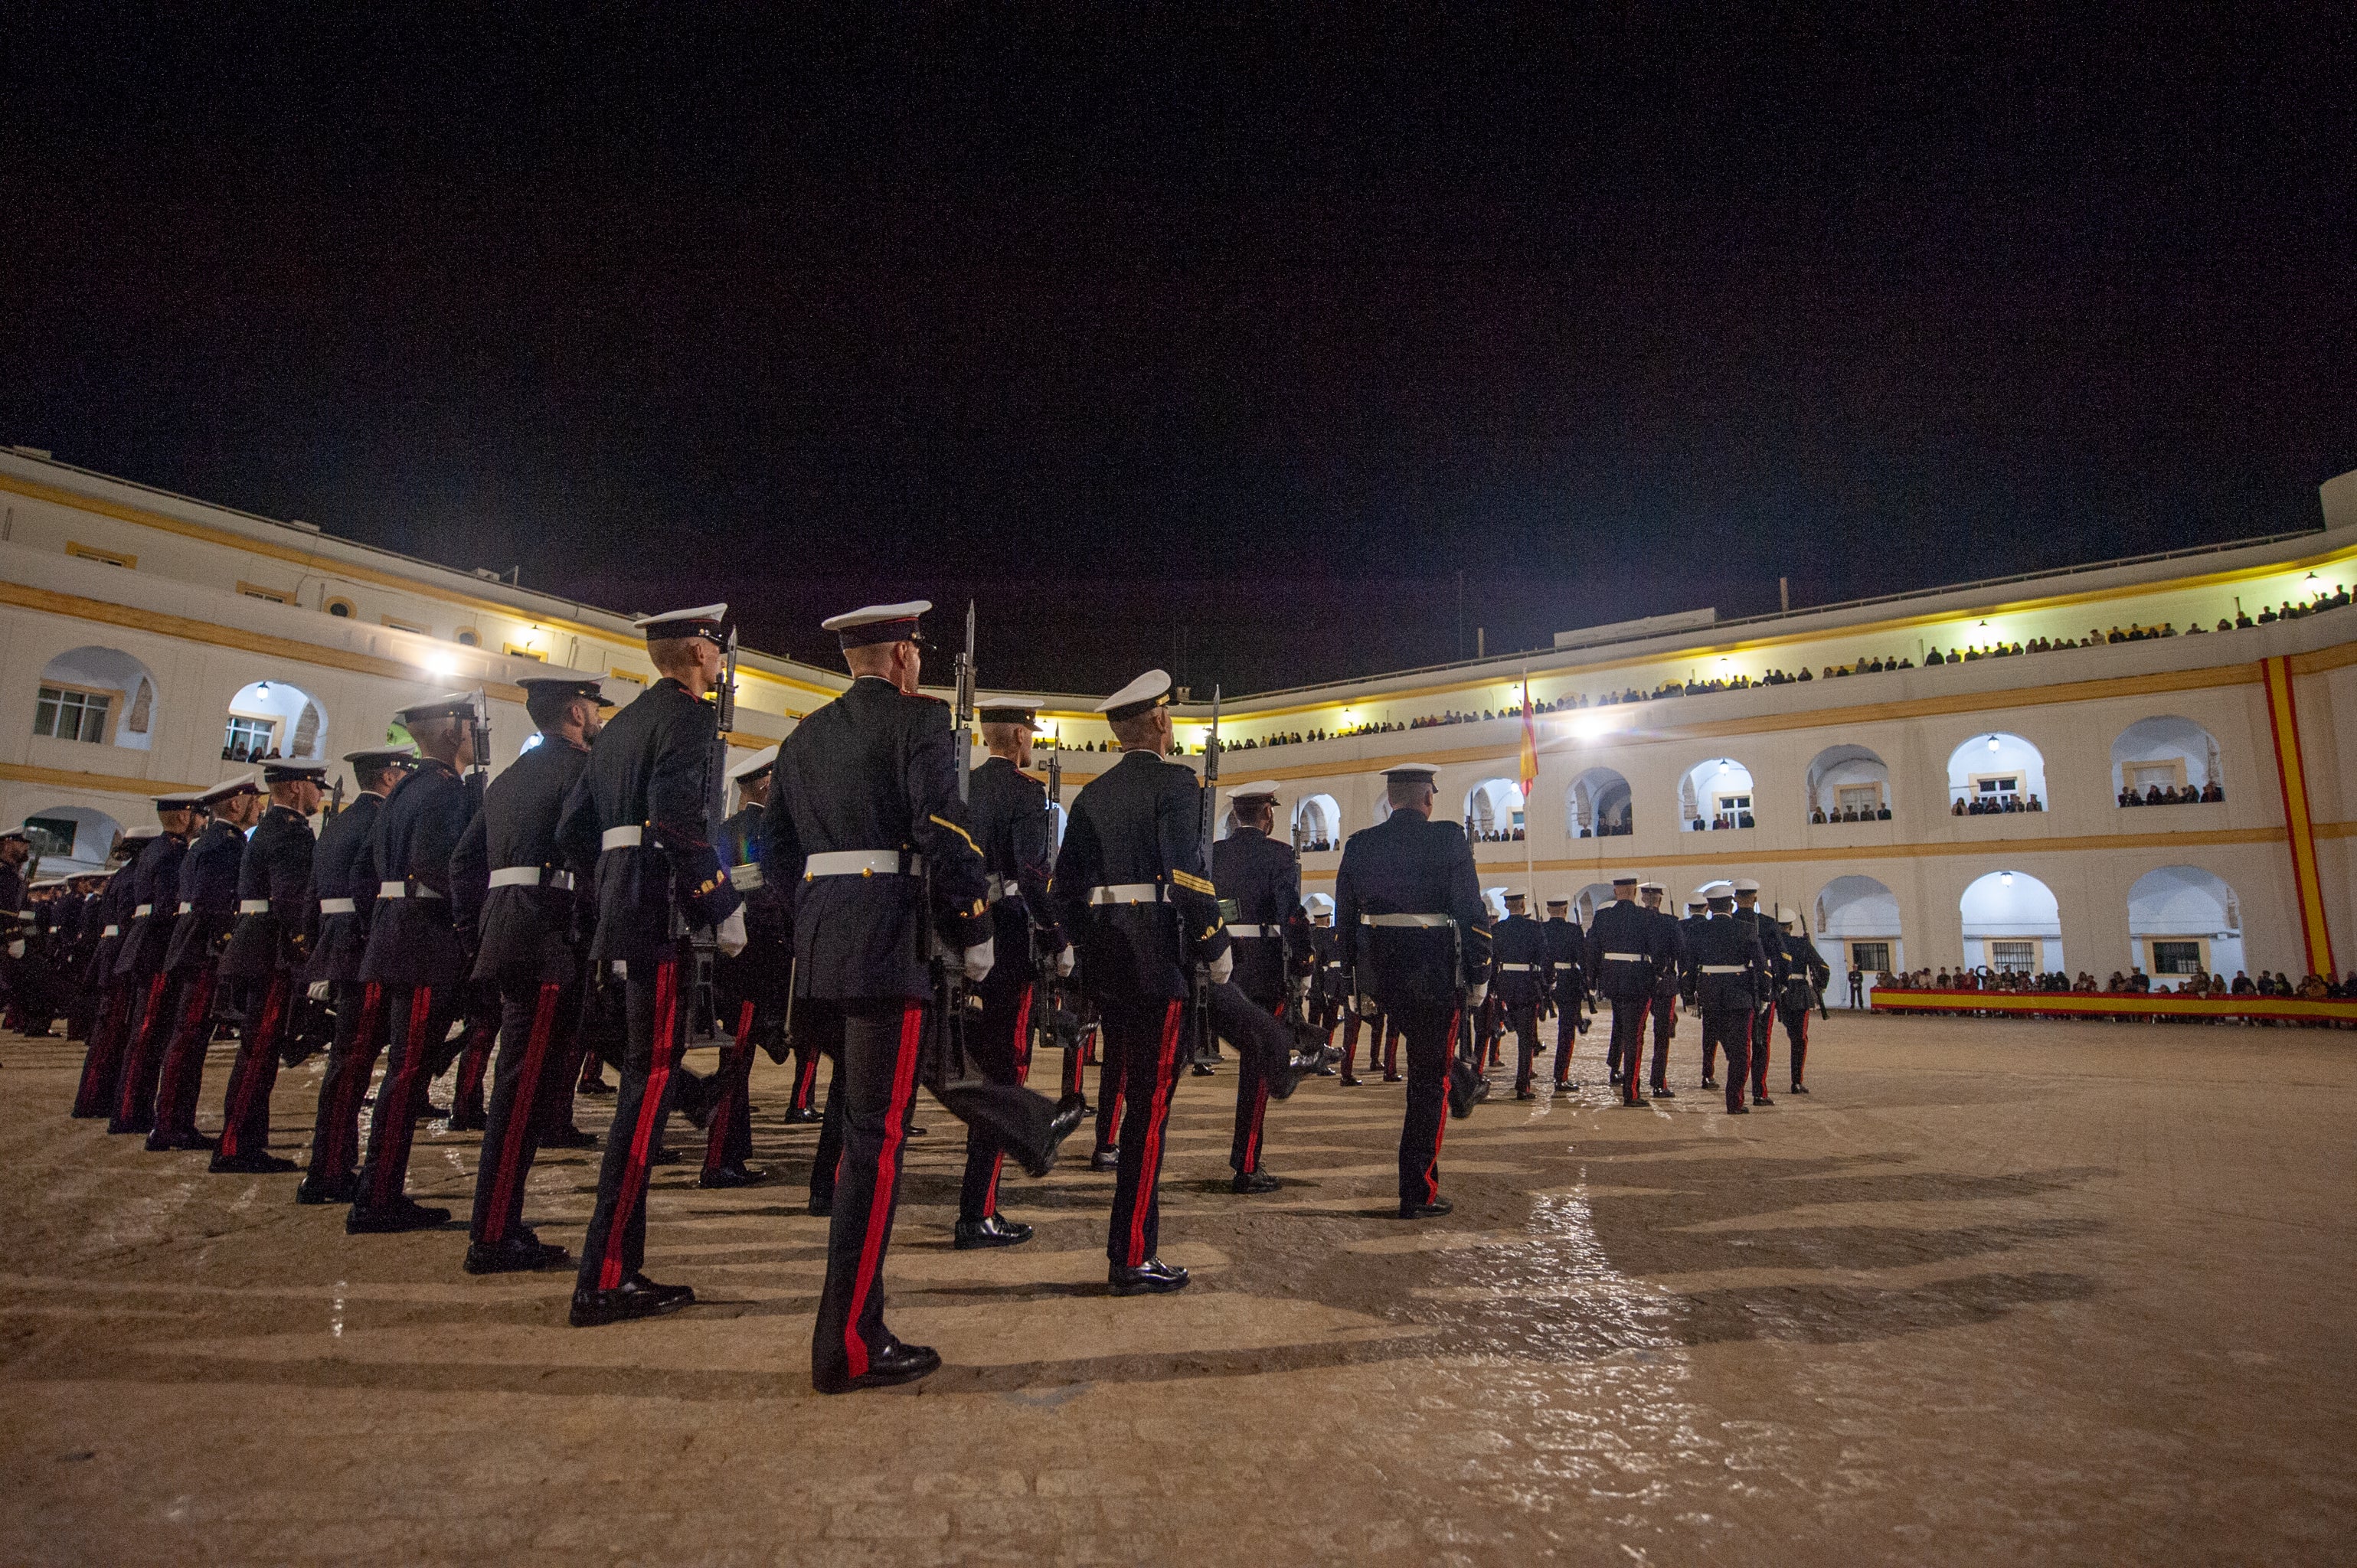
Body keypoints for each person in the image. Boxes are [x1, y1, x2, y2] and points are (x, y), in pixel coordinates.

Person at [770, 603, 1082, 1387]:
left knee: (860, 1126)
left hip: (824, 948)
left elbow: (775, 851)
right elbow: (944, 828)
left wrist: (813, 921)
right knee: (877, 1142)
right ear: (903, 655)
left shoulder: (803, 736)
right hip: (888, 944)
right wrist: (973, 923)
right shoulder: (920, 724)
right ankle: (848, 1340)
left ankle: (856, 1323)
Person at [555, 608, 746, 1325]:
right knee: (648, 1086)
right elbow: (677, 821)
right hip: (660, 916)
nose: (722, 662)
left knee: (644, 1079)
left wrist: (611, 889)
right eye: (719, 651)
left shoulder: (621, 726)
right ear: (698, 650)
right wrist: (717, 901)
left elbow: (573, 831)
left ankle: (612, 1268)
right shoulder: (690, 719)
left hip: (622, 911)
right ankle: (606, 1276)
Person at [1056, 668, 1240, 1289]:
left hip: (1109, 960)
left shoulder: (1091, 795)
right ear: (1161, 721)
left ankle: (1132, 1246)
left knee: (1133, 1094)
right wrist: (1214, 940)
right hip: (1158, 959)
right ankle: (1131, 1252)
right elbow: (1184, 872)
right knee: (1150, 1109)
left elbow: (1065, 891)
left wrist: (1082, 948)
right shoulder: (1177, 783)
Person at [448, 675, 614, 1273]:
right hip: (547, 936)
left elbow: (463, 864)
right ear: (576, 711)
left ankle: (499, 1224)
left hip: (509, 934)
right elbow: (591, 855)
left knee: (526, 1086)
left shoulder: (510, 778)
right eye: (594, 706)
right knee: (520, 1095)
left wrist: (478, 934)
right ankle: (492, 1233)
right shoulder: (580, 772)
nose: (598, 716)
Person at [350, 694, 486, 1234]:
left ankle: (376, 1190)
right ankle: (379, 1195)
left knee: (404, 1071)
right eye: (471, 726)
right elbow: (448, 867)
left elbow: (365, 871)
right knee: (408, 1073)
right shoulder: (445, 792)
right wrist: (468, 933)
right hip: (426, 942)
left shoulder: (404, 789)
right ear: (454, 731)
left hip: (394, 936)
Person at [1332, 761, 1492, 1217]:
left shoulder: (1361, 844)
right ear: (1428, 799)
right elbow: (1470, 910)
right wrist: (1478, 974)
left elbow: (1344, 918)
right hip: (1434, 977)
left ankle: (1462, 1082)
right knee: (1427, 1082)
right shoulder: (1448, 838)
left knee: (1432, 1069)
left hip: (1382, 976)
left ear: (1390, 800)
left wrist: (1351, 980)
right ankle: (1417, 1189)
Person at [956, 702, 1077, 1241]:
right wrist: (1057, 937)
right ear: (1015, 735)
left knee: (972, 1070)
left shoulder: (962, 786)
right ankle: (978, 1209)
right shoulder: (1026, 793)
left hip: (958, 932)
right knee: (1006, 1071)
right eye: (1029, 731)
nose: (1033, 739)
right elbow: (1032, 875)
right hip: (1005, 935)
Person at [295, 744, 417, 1204]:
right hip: (362, 950)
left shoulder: (340, 821)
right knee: (353, 1065)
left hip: (337, 947)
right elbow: (372, 887)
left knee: (347, 1064)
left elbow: (312, 894)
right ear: (389, 777)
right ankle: (328, 1170)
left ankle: (329, 1164)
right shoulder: (378, 820)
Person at [208, 759, 327, 1172]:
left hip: (258, 948)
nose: (321, 794)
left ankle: (240, 1143)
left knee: (257, 1051)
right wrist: (308, 952)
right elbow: (292, 902)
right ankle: (235, 1147)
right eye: (316, 785)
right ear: (296, 787)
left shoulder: (273, 828)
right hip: (270, 953)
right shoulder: (291, 833)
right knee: (258, 1053)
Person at [148, 776, 267, 1152]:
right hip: (204, 953)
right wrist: (226, 948)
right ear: (235, 805)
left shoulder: (210, 842)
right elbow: (215, 905)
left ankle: (173, 1122)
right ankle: (170, 1125)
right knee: (189, 1038)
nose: (259, 807)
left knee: (189, 1037)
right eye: (254, 800)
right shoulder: (225, 847)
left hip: (195, 949)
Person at [1211, 780, 1315, 1190]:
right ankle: (1247, 1163)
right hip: (1261, 970)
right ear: (1267, 815)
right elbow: (1292, 914)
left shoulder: (1212, 854)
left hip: (1215, 963)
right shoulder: (1280, 855)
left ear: (1236, 815)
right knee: (1256, 1066)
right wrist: (1303, 963)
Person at [703, 742, 788, 1191]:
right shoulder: (757, 831)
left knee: (738, 1054)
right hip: (755, 956)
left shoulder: (726, 828)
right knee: (736, 1057)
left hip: (737, 954)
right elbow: (755, 887)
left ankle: (730, 1152)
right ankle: (721, 1158)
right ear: (763, 785)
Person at [71, 835, 152, 1118]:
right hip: (120, 954)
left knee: (109, 1031)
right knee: (112, 1031)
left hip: (111, 952)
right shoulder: (133, 878)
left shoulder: (123, 874)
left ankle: (94, 1098)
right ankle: (95, 1100)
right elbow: (129, 921)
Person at [1683, 890, 1771, 1113]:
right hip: (1739, 995)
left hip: (1709, 993)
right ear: (1731, 906)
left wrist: (1688, 997)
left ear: (1710, 907)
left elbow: (1689, 967)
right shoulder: (1746, 929)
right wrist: (1764, 995)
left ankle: (1712, 1073)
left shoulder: (1698, 930)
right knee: (1741, 1052)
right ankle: (1735, 1101)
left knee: (1718, 1040)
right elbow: (1762, 967)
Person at [1587, 875, 1670, 1106]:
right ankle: (1631, 1092)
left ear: (1615, 891)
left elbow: (1592, 948)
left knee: (1622, 1028)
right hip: (1638, 982)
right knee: (1634, 1037)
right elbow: (1658, 952)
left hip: (1612, 980)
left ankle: (1619, 1071)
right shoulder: (1646, 917)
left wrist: (1593, 980)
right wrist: (1657, 972)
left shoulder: (1603, 916)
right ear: (1634, 891)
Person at [1489, 891, 1549, 1099]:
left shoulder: (1498, 929)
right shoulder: (1535, 928)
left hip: (1505, 984)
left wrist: (1495, 986)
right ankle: (1523, 1085)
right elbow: (1543, 957)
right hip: (1527, 985)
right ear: (1523, 905)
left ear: (1506, 906)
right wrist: (1547, 983)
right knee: (1526, 1038)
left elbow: (1493, 960)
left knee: (1511, 1026)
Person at [1728, 879, 1780, 1106]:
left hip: (1737, 987)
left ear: (1735, 899)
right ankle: (1759, 1091)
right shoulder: (1768, 924)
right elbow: (1782, 956)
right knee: (1762, 1042)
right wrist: (1779, 984)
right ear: (1755, 898)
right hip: (1762, 985)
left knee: (1740, 1043)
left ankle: (1737, 1091)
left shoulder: (1730, 924)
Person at [1773, 906, 1832, 1095]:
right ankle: (1796, 1082)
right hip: (1798, 993)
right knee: (1799, 1039)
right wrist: (1819, 986)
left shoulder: (1770, 943)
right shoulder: (1802, 944)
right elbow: (1823, 967)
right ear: (1791, 926)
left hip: (1774, 992)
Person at [1636, 880, 1684, 1099]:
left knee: (1636, 1033)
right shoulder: (1670, 922)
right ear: (1661, 899)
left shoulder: (1634, 922)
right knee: (1661, 1036)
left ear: (1643, 898)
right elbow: (1680, 952)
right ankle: (1658, 1083)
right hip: (1665, 983)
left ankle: (1633, 1079)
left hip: (1639, 981)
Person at [1540, 897, 1584, 1090]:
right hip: (1568, 980)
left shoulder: (1540, 929)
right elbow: (1583, 957)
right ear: (1565, 909)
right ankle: (1561, 1076)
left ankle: (1526, 1073)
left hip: (1541, 979)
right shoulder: (1574, 930)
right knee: (1566, 1031)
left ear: (1549, 910)